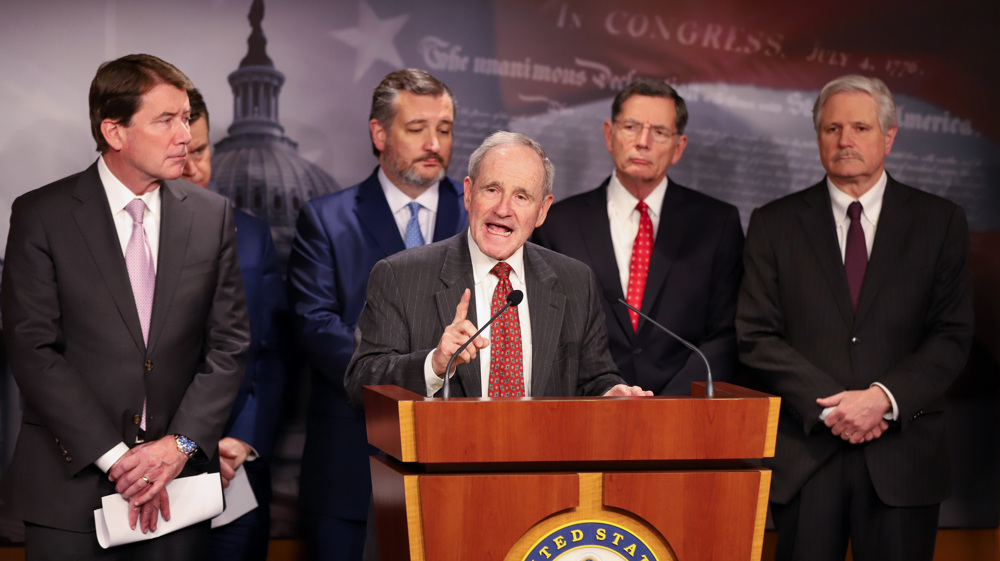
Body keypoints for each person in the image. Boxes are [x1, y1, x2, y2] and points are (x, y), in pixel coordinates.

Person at [0, 54, 249, 559]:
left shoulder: (211, 216)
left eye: (185, 117)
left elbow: (229, 345)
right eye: (166, 120)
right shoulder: (41, 215)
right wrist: (117, 460)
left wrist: (177, 448)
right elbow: (33, 348)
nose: (185, 134)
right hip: (68, 494)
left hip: (179, 492)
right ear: (114, 131)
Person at [736, 75, 974, 561]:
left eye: (861, 128)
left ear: (888, 136)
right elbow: (756, 334)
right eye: (832, 128)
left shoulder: (940, 222)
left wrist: (882, 399)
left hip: (903, 458)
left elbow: (951, 335)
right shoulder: (773, 222)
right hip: (808, 458)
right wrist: (834, 408)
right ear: (818, 137)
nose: (845, 140)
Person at [287, 68, 468, 560]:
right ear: (379, 132)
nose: (434, 143)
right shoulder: (326, 219)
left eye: (445, 129)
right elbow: (315, 326)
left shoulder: (483, 217)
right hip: (352, 465)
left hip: (465, 461)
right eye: (417, 129)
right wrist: (423, 366)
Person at [345, 130, 650, 403]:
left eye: (521, 196)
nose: (503, 209)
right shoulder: (401, 276)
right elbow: (360, 383)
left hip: (546, 461)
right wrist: (434, 364)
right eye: (492, 189)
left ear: (542, 210)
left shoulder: (574, 281)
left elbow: (594, 377)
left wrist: (612, 392)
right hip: (448, 461)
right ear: (468, 192)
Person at [534, 79, 743, 395]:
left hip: (682, 416)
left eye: (659, 132)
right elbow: (545, 334)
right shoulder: (557, 224)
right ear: (609, 134)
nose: (643, 142)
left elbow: (725, 335)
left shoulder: (717, 224)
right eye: (631, 126)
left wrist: (664, 408)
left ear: (679, 147)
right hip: (584, 412)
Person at [183, 88, 286, 561]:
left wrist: (240, 441)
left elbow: (270, 351)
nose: (191, 167)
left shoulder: (252, 235)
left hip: (233, 474)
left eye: (200, 151)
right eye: (180, 152)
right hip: (138, 475)